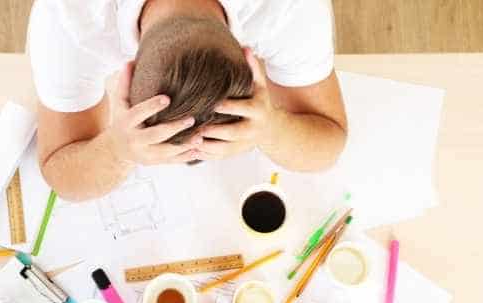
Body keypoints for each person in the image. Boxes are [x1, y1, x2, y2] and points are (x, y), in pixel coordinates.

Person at [28, 0, 347, 201]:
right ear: (124, 75)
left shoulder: (289, 8)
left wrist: (272, 128)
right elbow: (61, 173)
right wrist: (116, 149)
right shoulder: (69, 18)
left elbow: (328, 144)